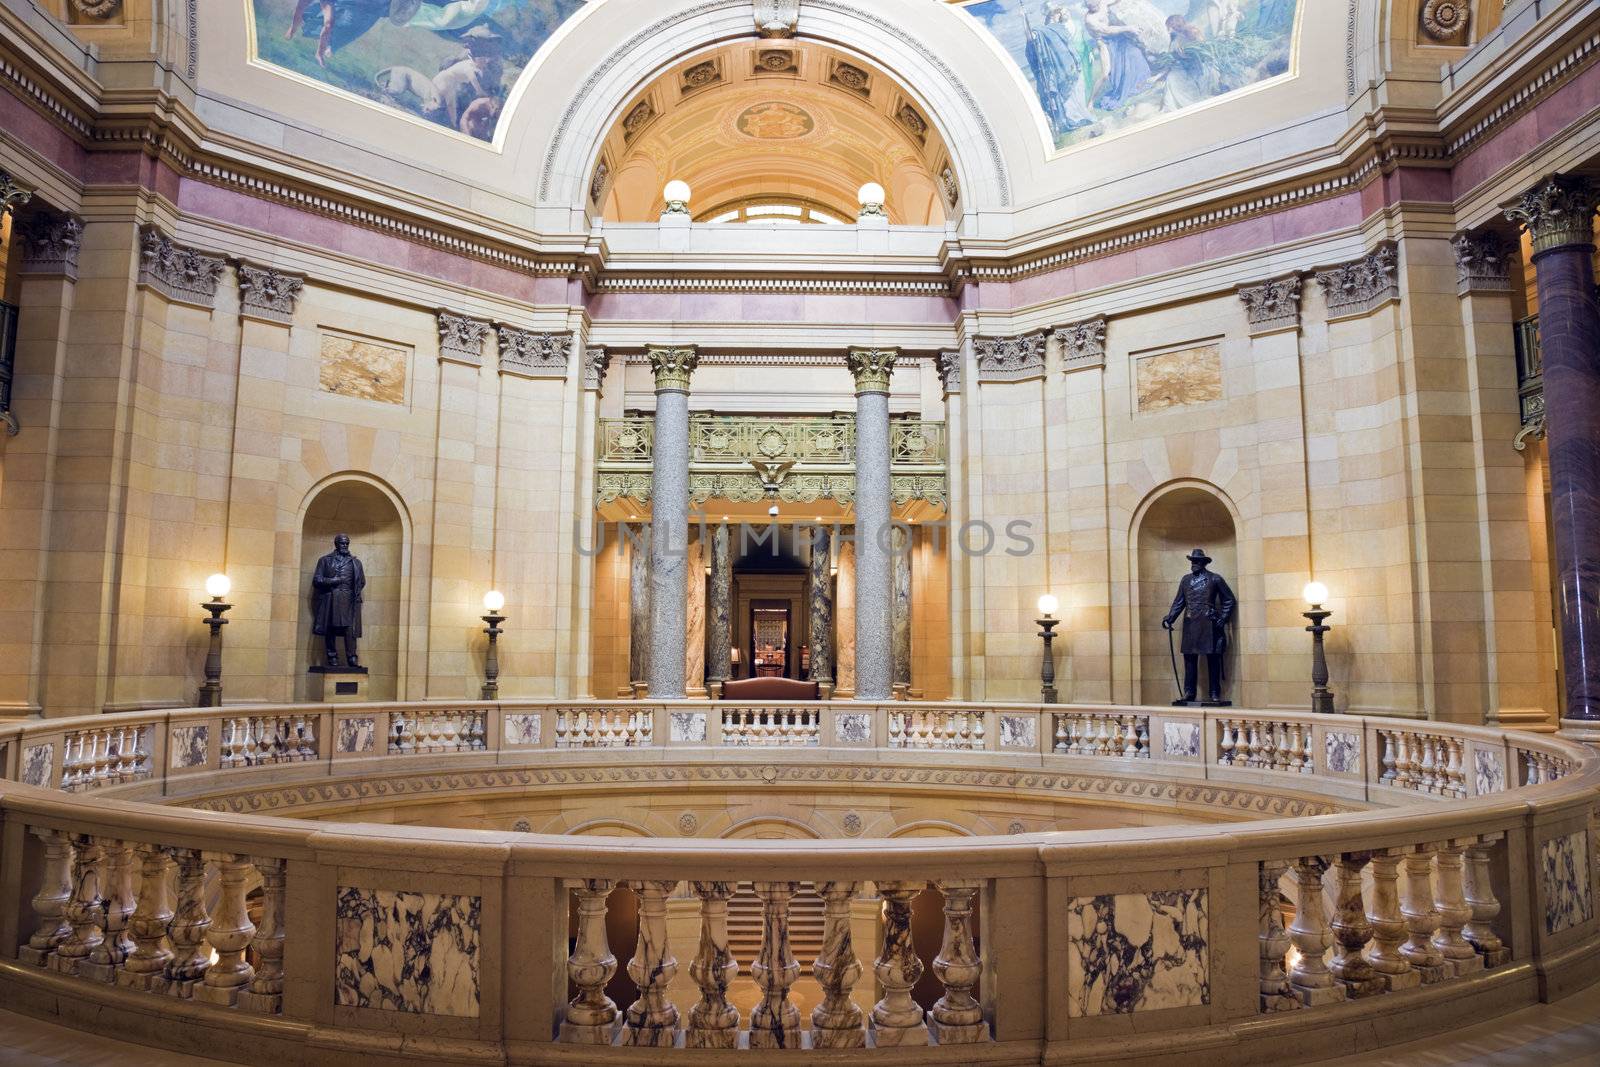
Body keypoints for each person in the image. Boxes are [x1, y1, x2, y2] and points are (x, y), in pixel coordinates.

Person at [1161, 548, 1235, 704]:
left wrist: (1223, 618)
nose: (1193, 564)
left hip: (1209, 623)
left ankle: (1214, 692)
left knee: (1213, 659)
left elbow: (1229, 600)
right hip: (1191, 622)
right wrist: (1171, 617)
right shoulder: (1185, 580)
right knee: (1189, 660)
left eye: (1196, 561)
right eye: (1192, 561)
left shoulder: (1215, 579)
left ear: (1203, 563)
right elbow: (1179, 602)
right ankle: (1189, 692)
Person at [1025, 3, 1095, 135]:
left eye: (1061, 13)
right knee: (1067, 97)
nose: (1060, 15)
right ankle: (1073, 119)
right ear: (1052, 15)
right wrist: (1024, 19)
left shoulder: (1061, 28)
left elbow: (1071, 45)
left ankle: (1080, 116)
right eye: (1058, 13)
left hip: (1072, 65)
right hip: (1060, 69)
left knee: (1078, 91)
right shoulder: (1042, 31)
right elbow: (1030, 38)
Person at [1083, 0, 1153, 109]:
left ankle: (1138, 82)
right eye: (1091, 5)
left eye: (1096, 3)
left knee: (1135, 53)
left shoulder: (1102, 3)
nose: (1095, 6)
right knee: (1105, 74)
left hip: (1116, 38)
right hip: (1104, 42)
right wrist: (1129, 28)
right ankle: (1091, 101)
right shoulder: (1090, 20)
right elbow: (1107, 30)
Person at [312, 533, 366, 668]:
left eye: (347, 543)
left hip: (348, 600)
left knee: (350, 629)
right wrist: (333, 581)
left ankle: (352, 657)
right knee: (331, 627)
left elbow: (362, 581)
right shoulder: (325, 560)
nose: (345, 545)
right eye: (343, 543)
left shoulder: (356, 562)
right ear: (336, 544)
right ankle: (332, 657)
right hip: (331, 599)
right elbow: (317, 580)